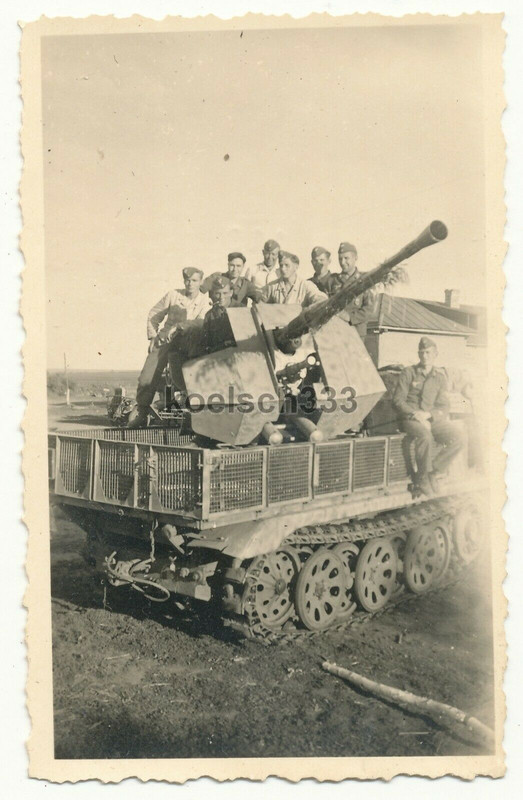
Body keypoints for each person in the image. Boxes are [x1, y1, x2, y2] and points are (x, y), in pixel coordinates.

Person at [128, 268, 211, 426]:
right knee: (148, 374)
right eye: (187, 280)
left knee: (186, 377)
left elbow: (200, 322)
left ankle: (192, 412)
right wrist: (153, 336)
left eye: (194, 280)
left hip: (188, 341)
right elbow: (154, 314)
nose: (190, 284)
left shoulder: (204, 301)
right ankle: (142, 411)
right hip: (166, 338)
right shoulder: (173, 295)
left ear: (201, 282)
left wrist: (181, 326)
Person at [392, 337, 467, 496]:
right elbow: (398, 400)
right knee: (425, 436)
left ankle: (435, 471)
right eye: (422, 352)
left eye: (428, 352)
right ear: (418, 354)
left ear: (435, 355)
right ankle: (422, 479)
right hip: (409, 418)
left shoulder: (439, 378)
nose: (424, 356)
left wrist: (429, 415)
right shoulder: (409, 372)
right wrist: (416, 415)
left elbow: (444, 405)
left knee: (460, 437)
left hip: (428, 418)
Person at [330, 241, 374, 339]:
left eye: (346, 258)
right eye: (340, 259)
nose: (342, 262)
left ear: (355, 258)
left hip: (356, 333)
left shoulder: (365, 280)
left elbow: (369, 309)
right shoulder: (334, 280)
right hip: (337, 332)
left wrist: (350, 317)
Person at [262, 251, 327, 307]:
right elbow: (259, 302)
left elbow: (321, 299)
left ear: (296, 267)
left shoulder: (305, 285)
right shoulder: (272, 286)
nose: (283, 269)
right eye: (281, 265)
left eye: (287, 265)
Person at [201, 275, 236, 354]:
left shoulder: (241, 309)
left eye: (225, 293)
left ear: (231, 293)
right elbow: (206, 344)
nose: (221, 297)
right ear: (213, 294)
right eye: (217, 293)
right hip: (218, 357)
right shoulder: (210, 315)